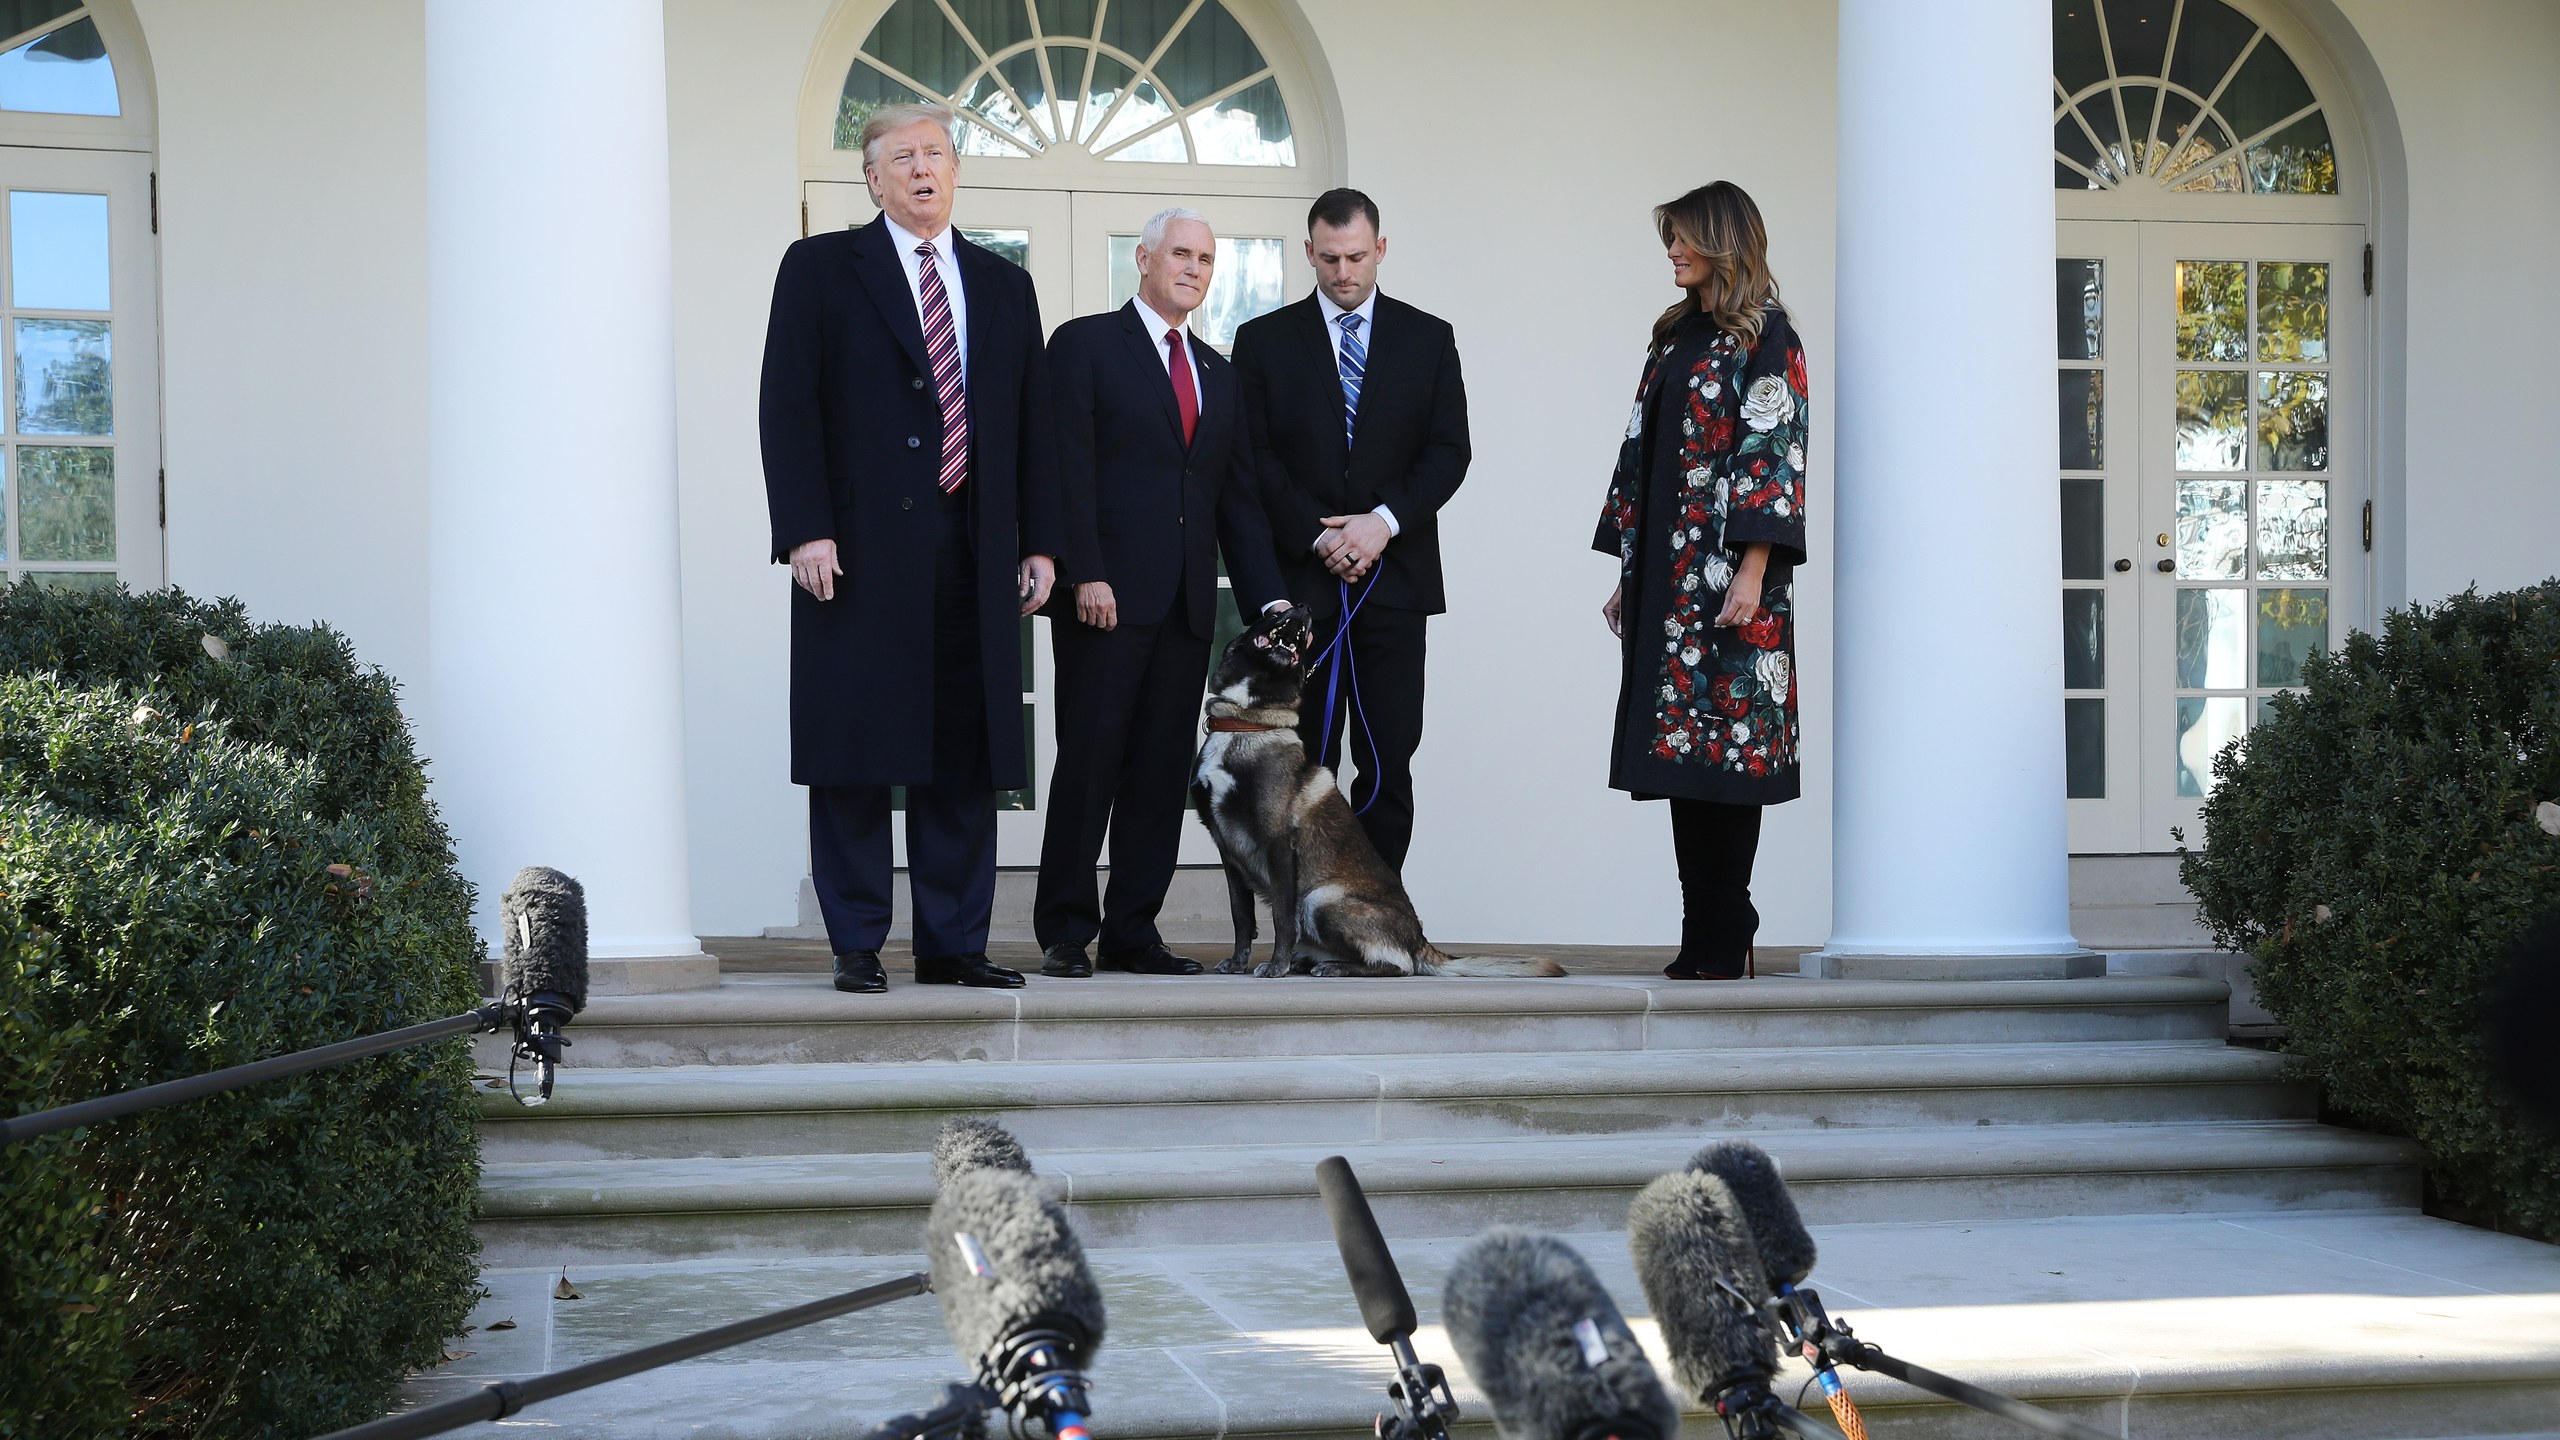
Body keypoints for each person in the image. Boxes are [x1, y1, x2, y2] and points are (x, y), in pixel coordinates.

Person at [758, 102, 1060, 994]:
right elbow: (787, 405)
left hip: (974, 543)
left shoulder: (1004, 285)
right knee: (857, 747)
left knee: (964, 753)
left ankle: (954, 944)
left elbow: (1032, 424)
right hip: (855, 547)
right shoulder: (819, 269)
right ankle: (857, 943)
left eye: (934, 153)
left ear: (954, 170)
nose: (922, 168)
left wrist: (1040, 542)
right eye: (902, 156)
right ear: (873, 177)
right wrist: (805, 526)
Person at [1032, 208, 1290, 979]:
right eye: (1180, 254)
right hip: (1102, 600)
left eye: (1206, 260)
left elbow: (1235, 499)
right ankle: (1067, 932)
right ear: (1142, 259)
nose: (1194, 269)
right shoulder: (1083, 346)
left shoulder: (1219, 373)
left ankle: (1132, 932)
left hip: (1184, 607)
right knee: (1090, 765)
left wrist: (1268, 599)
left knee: (1155, 775)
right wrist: (1085, 571)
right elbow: (1065, 467)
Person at [1595, 182, 1809, 981]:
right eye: (1670, 239)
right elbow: (1639, 452)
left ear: (1723, 241)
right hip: (1668, 580)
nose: (1673, 251)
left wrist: (1755, 568)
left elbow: (1775, 453)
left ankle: (1729, 922)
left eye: (1684, 238)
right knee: (1683, 756)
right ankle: (1703, 928)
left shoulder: (1768, 338)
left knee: (1734, 754)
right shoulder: (1675, 336)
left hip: (1732, 583)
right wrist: (1627, 566)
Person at [1232, 188, 1470, 873]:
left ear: (1381, 250)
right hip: (1301, 585)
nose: (1344, 272)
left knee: (1388, 757)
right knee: (1300, 761)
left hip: (1395, 584)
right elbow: (1253, 459)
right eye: (1330, 258)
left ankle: (1371, 913)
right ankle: (1303, 916)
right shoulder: (1263, 341)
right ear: (1309, 252)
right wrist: (1322, 535)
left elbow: (1450, 451)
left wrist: (1381, 523)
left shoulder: (1429, 339)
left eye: (1357, 257)